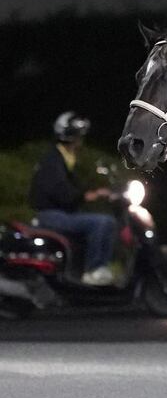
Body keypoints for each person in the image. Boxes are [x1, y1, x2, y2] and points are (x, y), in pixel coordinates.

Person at [29, 112, 117, 286]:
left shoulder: (63, 158)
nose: (81, 141)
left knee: (100, 220)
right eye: (79, 136)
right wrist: (87, 195)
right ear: (72, 137)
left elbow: (72, 187)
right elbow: (61, 191)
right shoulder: (53, 160)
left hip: (55, 213)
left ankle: (86, 271)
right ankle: (93, 270)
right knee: (103, 222)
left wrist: (97, 192)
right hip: (50, 215)